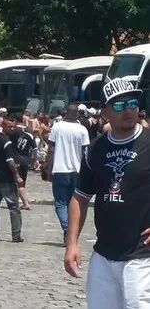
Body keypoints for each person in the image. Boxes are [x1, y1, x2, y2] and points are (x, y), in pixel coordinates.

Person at [65, 78, 150, 308]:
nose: (129, 111)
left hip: (142, 256)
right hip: (104, 254)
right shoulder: (96, 149)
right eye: (120, 106)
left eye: (133, 103)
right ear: (105, 111)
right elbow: (80, 197)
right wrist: (71, 243)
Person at [45, 102, 90, 243]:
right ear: (77, 113)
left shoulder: (57, 127)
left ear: (65, 112)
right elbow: (86, 153)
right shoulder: (82, 130)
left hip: (60, 169)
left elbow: (51, 150)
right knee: (73, 204)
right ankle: (71, 232)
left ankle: (67, 229)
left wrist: (48, 168)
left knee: (60, 203)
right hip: (76, 171)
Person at [0, 114, 25, 242]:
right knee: (13, 207)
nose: (12, 129)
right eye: (9, 126)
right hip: (6, 179)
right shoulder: (6, 142)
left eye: (13, 126)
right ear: (2, 125)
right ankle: (16, 234)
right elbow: (10, 161)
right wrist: (17, 176)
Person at [11, 112, 36, 210]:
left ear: (15, 120)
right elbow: (34, 148)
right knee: (22, 182)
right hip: (26, 159)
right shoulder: (29, 132)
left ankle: (25, 203)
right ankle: (17, 201)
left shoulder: (13, 131)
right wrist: (35, 160)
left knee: (17, 182)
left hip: (16, 159)